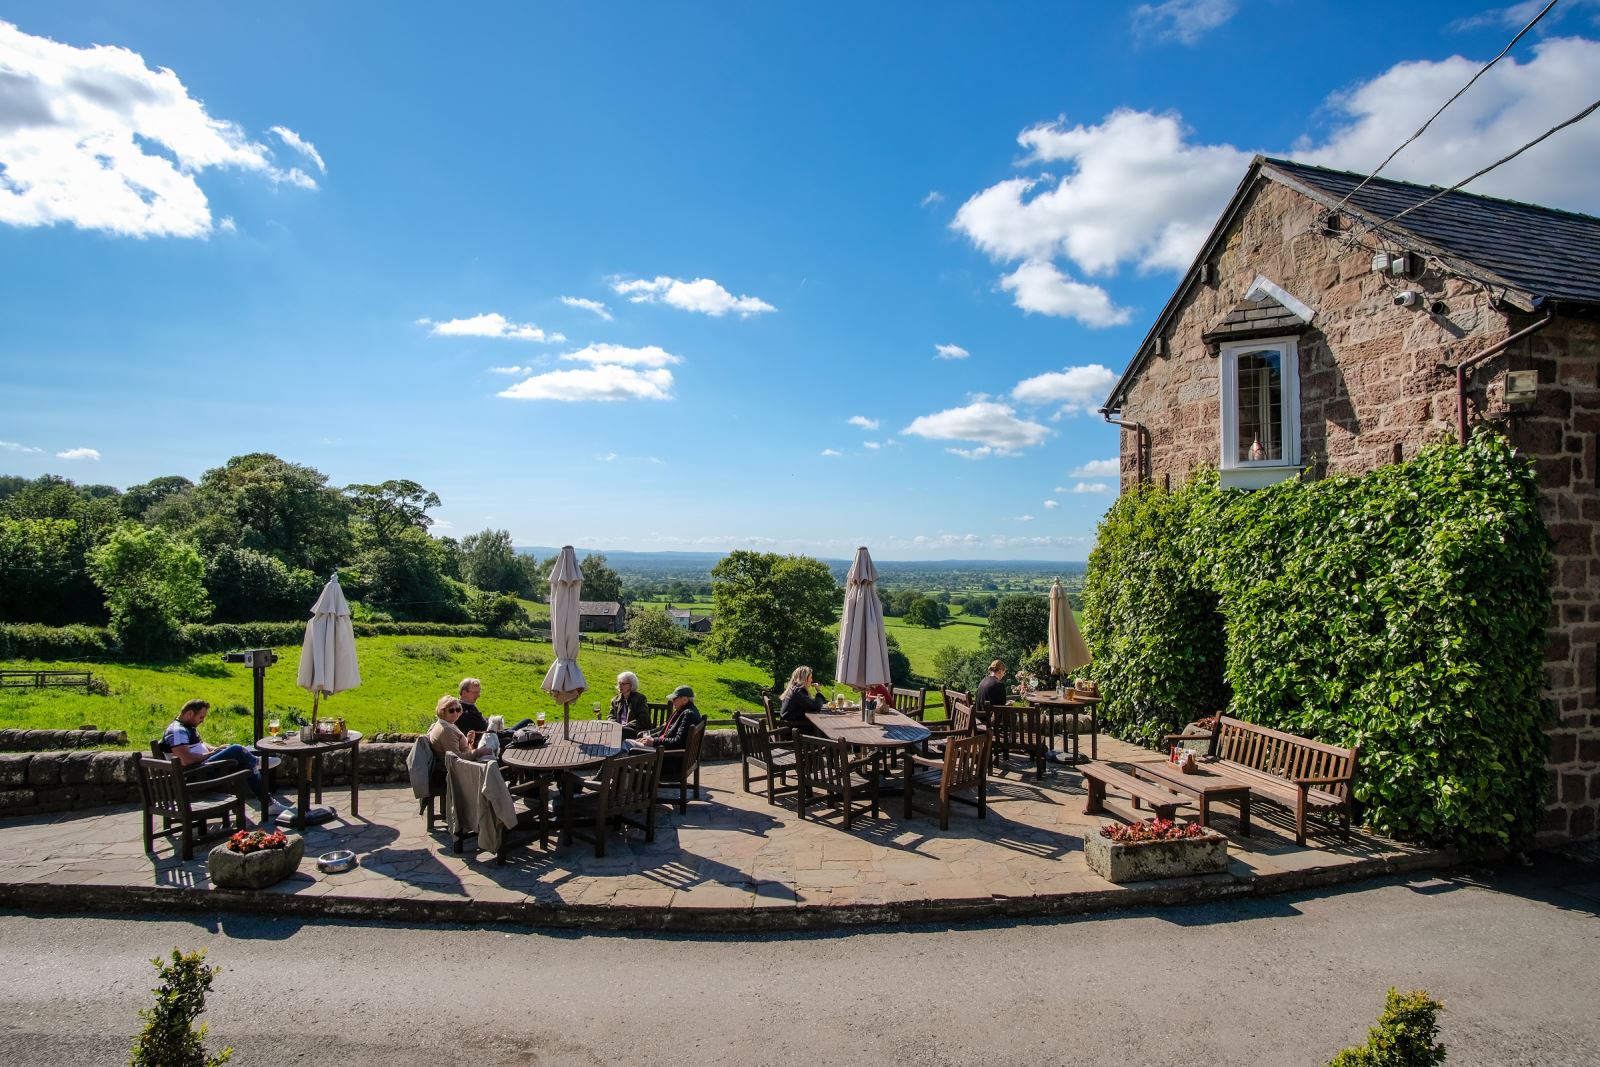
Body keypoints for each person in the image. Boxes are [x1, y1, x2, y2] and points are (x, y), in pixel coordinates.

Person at [161, 699, 285, 817]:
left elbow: (200, 746)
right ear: (189, 714)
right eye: (201, 717)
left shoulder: (187, 727)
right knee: (237, 750)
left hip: (202, 769)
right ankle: (257, 764)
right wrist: (212, 754)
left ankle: (268, 801)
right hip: (196, 776)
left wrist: (217, 749)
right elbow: (186, 760)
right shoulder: (177, 731)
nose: (202, 721)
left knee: (242, 761)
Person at [636, 684, 703, 780]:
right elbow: (667, 732)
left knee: (628, 749)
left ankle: (631, 787)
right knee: (632, 745)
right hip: (672, 756)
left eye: (675, 698)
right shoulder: (685, 711)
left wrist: (654, 742)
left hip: (670, 761)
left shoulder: (688, 714)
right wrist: (650, 738)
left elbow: (677, 741)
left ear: (685, 699)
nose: (672, 701)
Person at [427, 694, 495, 761]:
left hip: (465, 761)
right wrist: (479, 752)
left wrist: (469, 741)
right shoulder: (446, 730)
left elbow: (460, 747)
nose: (456, 713)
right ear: (442, 711)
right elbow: (456, 759)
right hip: (461, 768)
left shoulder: (446, 723)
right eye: (451, 710)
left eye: (458, 709)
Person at [456, 676, 531, 735]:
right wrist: (511, 733)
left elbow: (481, 724)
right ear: (464, 693)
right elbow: (485, 732)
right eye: (475, 693)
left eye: (479, 692)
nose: (478, 695)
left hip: (493, 736)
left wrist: (491, 720)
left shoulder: (467, 706)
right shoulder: (464, 712)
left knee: (528, 726)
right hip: (493, 741)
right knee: (528, 722)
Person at [609, 671, 651, 739]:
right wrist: (615, 725)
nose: (620, 686)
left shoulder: (640, 699)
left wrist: (626, 726)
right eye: (619, 683)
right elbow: (611, 716)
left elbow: (643, 719)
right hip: (619, 730)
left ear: (631, 685)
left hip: (635, 731)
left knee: (619, 733)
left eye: (623, 684)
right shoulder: (615, 700)